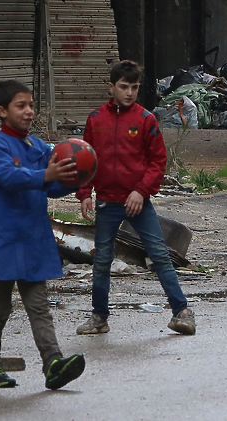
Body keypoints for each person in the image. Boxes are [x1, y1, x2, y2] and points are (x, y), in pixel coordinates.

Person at [0, 80, 85, 390]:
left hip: (33, 238)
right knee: (0, 308)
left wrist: (78, 177)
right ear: (1, 111)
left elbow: (52, 185)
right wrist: (45, 174)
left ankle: (53, 364)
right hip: (3, 239)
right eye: (21, 106)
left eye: (31, 105)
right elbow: (9, 177)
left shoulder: (38, 147)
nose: (29, 111)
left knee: (38, 304)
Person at [75, 60, 195, 336]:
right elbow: (85, 159)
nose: (129, 92)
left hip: (138, 204)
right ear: (111, 87)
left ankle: (182, 312)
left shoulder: (145, 120)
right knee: (102, 260)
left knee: (160, 256)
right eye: (124, 86)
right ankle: (99, 318)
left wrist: (141, 191)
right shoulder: (96, 120)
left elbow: (158, 161)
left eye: (135, 87)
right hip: (106, 202)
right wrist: (84, 194)